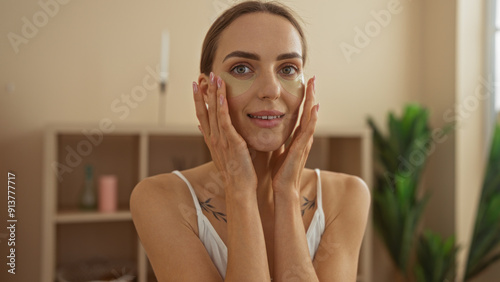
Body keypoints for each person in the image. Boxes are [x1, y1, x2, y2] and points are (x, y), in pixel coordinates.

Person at [130, 1, 370, 281]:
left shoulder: (347, 196)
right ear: (207, 91)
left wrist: (287, 194)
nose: (271, 90)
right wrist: (240, 191)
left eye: (288, 69)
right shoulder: (160, 199)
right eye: (242, 68)